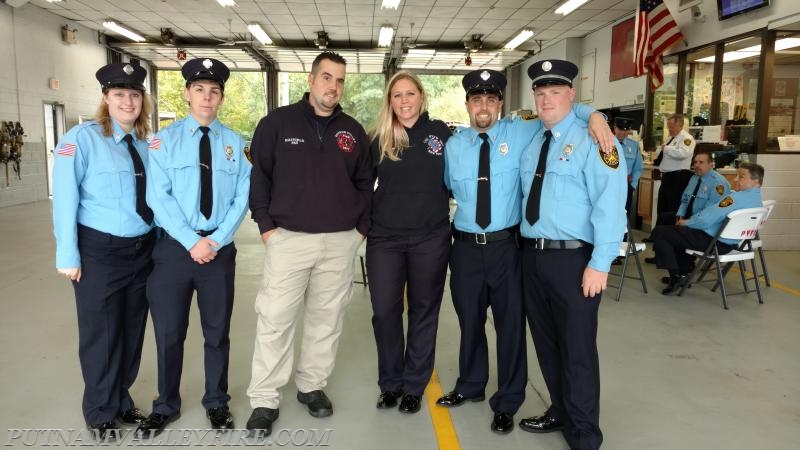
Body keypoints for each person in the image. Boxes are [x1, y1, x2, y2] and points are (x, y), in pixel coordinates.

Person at [439, 68, 612, 435]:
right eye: (476, 99)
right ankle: (470, 385)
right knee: (470, 321)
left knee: (510, 328)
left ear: (500, 104)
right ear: (467, 104)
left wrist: (595, 115)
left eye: (490, 99)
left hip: (508, 248)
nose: (483, 106)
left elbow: (563, 110)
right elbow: (444, 190)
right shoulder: (454, 146)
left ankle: (508, 400)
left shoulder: (523, 131)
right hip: (467, 248)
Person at [245, 51, 372, 435]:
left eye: (340, 81)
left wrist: (360, 229)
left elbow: (367, 183)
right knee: (275, 320)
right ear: (312, 79)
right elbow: (260, 179)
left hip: (339, 243)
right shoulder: (277, 123)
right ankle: (265, 398)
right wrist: (267, 227)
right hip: (289, 240)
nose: (333, 87)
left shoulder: (352, 130)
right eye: (327, 78)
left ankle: (311, 386)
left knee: (326, 319)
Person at [517, 59, 627, 450]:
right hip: (531, 257)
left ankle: (584, 434)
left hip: (574, 261)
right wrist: (591, 110)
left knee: (577, 348)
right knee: (546, 344)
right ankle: (561, 411)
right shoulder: (533, 138)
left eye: (555, 92)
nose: (546, 100)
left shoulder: (595, 141)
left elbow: (611, 204)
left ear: (571, 94)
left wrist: (601, 263)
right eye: (540, 93)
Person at [138, 58, 251, 435]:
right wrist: (192, 242)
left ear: (221, 97)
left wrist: (215, 241)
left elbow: (242, 198)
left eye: (214, 90)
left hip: (219, 250)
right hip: (174, 251)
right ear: (187, 94)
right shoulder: (162, 142)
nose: (207, 96)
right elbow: (159, 197)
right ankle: (166, 403)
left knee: (217, 332)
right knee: (169, 332)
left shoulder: (236, 144)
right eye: (199, 89)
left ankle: (217, 402)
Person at [52, 62, 155, 438]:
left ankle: (121, 401)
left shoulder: (146, 145)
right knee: (102, 333)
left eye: (134, 95)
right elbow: (65, 198)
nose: (128, 101)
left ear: (142, 100)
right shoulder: (79, 140)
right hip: (99, 251)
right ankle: (99, 411)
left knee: (131, 330)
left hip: (143, 250)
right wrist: (68, 255)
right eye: (119, 95)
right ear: (106, 99)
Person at [366, 71, 452, 414]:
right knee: (385, 310)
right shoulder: (379, 138)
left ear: (422, 96)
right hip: (385, 238)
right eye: (397, 95)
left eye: (410, 94)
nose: (404, 101)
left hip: (430, 236)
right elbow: (358, 187)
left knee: (423, 310)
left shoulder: (442, 134)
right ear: (390, 100)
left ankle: (414, 385)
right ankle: (390, 384)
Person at [653, 163, 763, 294]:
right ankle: (684, 273)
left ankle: (676, 277)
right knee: (675, 233)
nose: (735, 179)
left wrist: (687, 222)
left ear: (755, 181)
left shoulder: (735, 198)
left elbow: (707, 219)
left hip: (714, 242)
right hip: (733, 243)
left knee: (661, 232)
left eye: (741, 176)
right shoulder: (757, 200)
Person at [645, 152, 730, 266]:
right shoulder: (694, 178)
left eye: (701, 162)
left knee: (667, 232)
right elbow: (685, 199)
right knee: (663, 218)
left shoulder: (718, 183)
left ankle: (682, 267)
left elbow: (708, 214)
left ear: (711, 165)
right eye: (695, 162)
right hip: (690, 215)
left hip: (702, 223)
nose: (697, 165)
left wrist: (687, 222)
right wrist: (679, 215)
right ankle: (659, 255)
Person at [649, 113, 695, 232]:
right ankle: (658, 233)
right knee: (662, 205)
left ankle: (668, 233)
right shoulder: (670, 138)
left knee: (672, 206)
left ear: (680, 125)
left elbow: (683, 153)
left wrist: (667, 148)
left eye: (672, 127)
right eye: (669, 126)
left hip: (678, 178)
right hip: (667, 177)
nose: (670, 129)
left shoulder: (686, 138)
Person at [614, 117, 643, 214]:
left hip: (626, 185)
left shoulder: (634, 145)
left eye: (626, 130)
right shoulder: (606, 143)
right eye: (620, 129)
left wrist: (633, 185)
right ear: (615, 128)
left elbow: (638, 168)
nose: (623, 133)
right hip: (609, 184)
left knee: (625, 214)